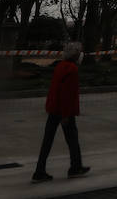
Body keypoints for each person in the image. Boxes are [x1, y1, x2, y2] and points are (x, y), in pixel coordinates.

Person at [33, 42, 89, 182]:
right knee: (72, 139)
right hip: (64, 111)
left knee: (47, 140)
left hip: (53, 108)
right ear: (76, 55)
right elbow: (67, 95)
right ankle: (75, 167)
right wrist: (65, 115)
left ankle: (39, 171)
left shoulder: (60, 66)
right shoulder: (72, 70)